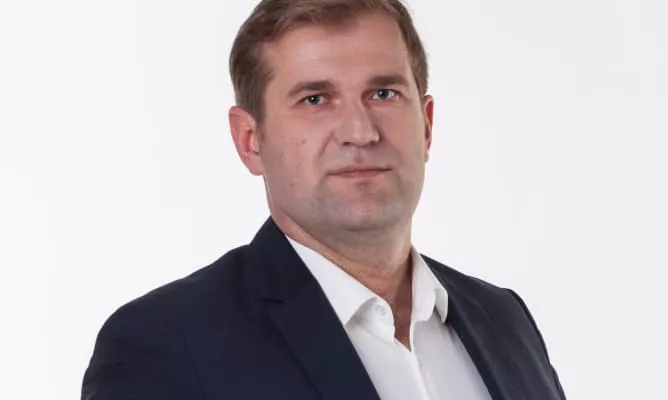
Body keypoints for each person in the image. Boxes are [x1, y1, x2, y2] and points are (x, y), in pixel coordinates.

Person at [81, 0, 566, 399]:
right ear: (250, 141)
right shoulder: (164, 345)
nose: (360, 131)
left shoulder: (505, 321)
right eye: (315, 99)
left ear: (427, 125)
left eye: (383, 93)